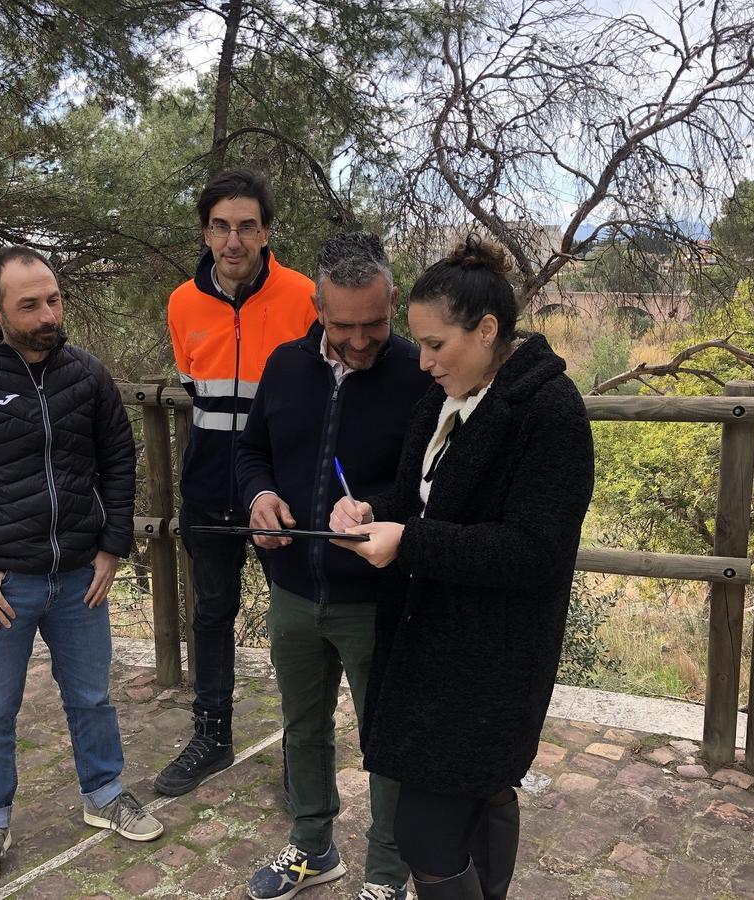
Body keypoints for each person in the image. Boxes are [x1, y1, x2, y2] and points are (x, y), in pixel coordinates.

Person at [330, 235, 594, 899]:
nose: (421, 362)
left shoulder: (549, 413)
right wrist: (369, 511)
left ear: (486, 329)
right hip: (425, 647)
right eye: (417, 344)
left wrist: (409, 544)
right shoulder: (446, 396)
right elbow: (422, 499)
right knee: (474, 804)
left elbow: (534, 550)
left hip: (492, 660)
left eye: (435, 344)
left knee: (422, 832)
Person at [0, 246, 163, 895]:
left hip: (80, 575)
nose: (49, 313)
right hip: (1, 585)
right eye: (31, 304)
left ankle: (104, 793)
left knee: (92, 696)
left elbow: (119, 458)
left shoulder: (87, 376)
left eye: (53, 298)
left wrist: (112, 546)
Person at [235, 232, 432, 900]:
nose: (357, 340)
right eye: (342, 324)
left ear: (393, 302)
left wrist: (379, 507)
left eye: (372, 323)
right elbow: (252, 452)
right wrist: (260, 496)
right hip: (292, 589)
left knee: (386, 741)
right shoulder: (285, 367)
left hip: (378, 597)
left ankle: (386, 875)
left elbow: (433, 487)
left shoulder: (418, 375)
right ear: (317, 306)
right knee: (302, 728)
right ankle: (314, 847)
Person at [158, 170, 317, 796]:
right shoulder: (181, 303)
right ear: (205, 232)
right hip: (205, 481)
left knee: (294, 618)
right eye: (221, 226)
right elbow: (195, 386)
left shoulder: (304, 296)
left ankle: (299, 747)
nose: (233, 240)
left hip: (283, 484)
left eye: (247, 226)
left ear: (266, 232)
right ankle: (211, 736)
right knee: (212, 611)